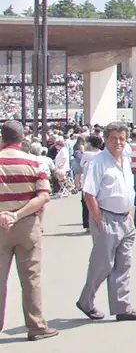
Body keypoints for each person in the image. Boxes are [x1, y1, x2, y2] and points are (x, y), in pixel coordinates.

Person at [77, 122, 136, 323]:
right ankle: (86, 301)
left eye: (122, 138)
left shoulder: (125, 159)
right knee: (103, 264)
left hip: (125, 218)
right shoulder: (98, 162)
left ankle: (122, 306)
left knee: (123, 264)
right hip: (106, 217)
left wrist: (131, 213)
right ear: (106, 140)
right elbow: (89, 193)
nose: (118, 142)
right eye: (114, 138)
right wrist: (99, 220)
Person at [0, 120, 57, 341]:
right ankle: (36, 326)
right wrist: (16, 215)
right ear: (23, 138)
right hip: (26, 224)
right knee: (31, 278)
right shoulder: (34, 162)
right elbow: (44, 195)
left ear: (3, 138)